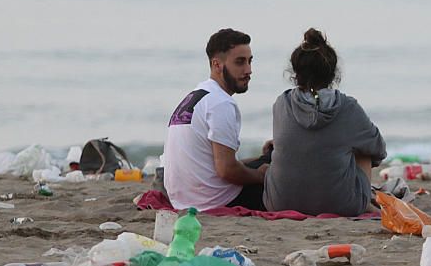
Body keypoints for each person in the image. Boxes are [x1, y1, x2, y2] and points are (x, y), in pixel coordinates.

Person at [262, 28, 387, 216]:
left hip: (279, 203)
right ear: (333, 73)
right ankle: (364, 201)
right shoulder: (347, 107)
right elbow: (378, 149)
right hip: (342, 206)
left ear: (295, 72)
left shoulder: (282, 103)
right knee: (363, 150)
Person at [163, 28, 272, 211]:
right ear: (217, 64)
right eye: (240, 62)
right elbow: (226, 170)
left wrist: (260, 160)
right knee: (281, 171)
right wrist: (261, 176)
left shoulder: (197, 96)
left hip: (183, 199)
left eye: (249, 61)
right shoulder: (221, 103)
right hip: (213, 201)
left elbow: (214, 164)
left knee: (267, 158)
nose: (248, 70)